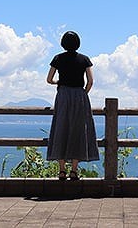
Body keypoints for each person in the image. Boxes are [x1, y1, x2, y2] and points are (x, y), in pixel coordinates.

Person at [46, 31, 99, 180]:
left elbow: (49, 79)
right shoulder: (84, 59)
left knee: (61, 128)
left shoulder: (57, 58)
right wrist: (83, 94)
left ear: (63, 43)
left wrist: (59, 83)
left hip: (63, 95)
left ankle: (61, 170)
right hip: (79, 96)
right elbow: (90, 81)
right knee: (78, 130)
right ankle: (74, 171)